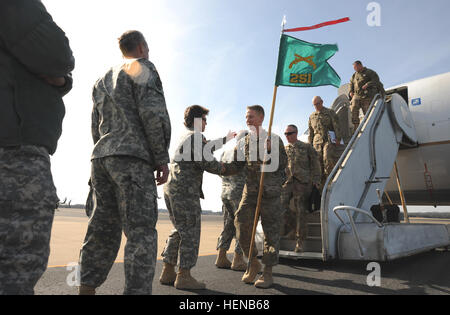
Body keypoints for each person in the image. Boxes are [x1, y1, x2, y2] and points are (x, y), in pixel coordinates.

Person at [78, 30, 171, 295]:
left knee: (101, 230)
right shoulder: (142, 68)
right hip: (132, 160)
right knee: (141, 234)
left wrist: (101, 152)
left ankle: (86, 288)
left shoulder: (101, 79)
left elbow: (95, 125)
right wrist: (161, 158)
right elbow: (153, 114)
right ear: (142, 46)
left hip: (101, 158)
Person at [0, 0, 74, 295]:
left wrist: (61, 80)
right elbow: (56, 56)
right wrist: (62, 78)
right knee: (15, 273)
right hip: (14, 150)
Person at [159, 105, 236, 290]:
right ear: (196, 120)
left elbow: (207, 146)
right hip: (185, 192)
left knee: (179, 229)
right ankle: (184, 276)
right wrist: (224, 168)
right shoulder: (194, 138)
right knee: (191, 233)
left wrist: (225, 139)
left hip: (172, 189)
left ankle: (168, 270)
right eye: (204, 119)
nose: (206, 122)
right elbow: (208, 162)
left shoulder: (186, 136)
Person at [225, 105, 287, 289]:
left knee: (270, 234)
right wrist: (217, 167)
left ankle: (267, 272)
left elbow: (283, 164)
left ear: (261, 117)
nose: (248, 120)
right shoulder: (245, 142)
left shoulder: (274, 139)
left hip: (270, 194)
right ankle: (253, 263)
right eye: (246, 117)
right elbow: (236, 165)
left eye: (251, 116)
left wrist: (271, 151)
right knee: (240, 224)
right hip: (250, 193)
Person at [282, 125, 321, 252]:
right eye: (285, 134)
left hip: (303, 182)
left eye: (289, 133)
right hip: (288, 181)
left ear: (296, 133)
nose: (287, 136)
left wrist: (316, 180)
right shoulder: (284, 149)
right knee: (280, 205)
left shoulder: (306, 147)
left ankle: (300, 241)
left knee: (301, 210)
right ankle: (293, 228)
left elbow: (315, 163)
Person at [215, 130, 248, 271]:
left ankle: (221, 256)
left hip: (225, 193)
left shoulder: (225, 152)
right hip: (239, 193)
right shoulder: (245, 154)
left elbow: (220, 170)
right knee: (242, 225)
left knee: (228, 225)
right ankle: (238, 259)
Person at [349, 61, 385, 131]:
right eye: (354, 68)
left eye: (355, 67)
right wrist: (351, 91)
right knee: (353, 109)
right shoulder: (354, 75)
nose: (355, 69)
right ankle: (355, 128)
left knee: (368, 114)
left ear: (360, 65)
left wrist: (368, 84)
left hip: (367, 96)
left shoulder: (369, 72)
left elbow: (376, 80)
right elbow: (351, 83)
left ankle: (371, 128)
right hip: (357, 96)